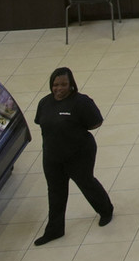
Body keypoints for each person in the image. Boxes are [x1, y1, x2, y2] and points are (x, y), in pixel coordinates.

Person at [32, 66, 113, 245]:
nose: (59, 88)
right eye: (55, 85)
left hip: (79, 154)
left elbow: (96, 122)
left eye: (63, 84)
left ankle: (106, 210)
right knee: (55, 193)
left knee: (86, 183)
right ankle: (54, 229)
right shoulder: (45, 103)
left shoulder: (81, 102)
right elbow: (40, 122)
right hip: (52, 157)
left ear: (71, 85)